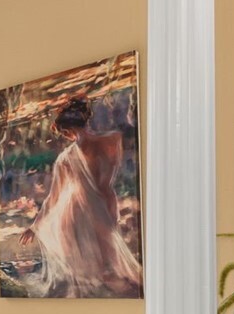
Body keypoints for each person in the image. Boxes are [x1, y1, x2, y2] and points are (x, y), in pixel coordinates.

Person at [19, 96, 142, 297]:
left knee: (100, 271)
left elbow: (53, 198)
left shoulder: (67, 158)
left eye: (63, 132)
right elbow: (104, 184)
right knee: (106, 267)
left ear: (66, 131)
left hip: (79, 214)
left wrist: (35, 226)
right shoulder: (112, 140)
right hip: (97, 207)